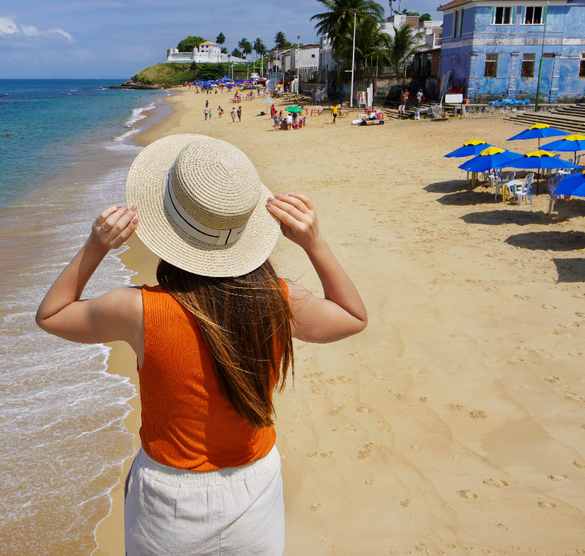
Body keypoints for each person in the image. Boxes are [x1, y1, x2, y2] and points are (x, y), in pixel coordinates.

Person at [36, 135, 367, 556]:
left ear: (166, 226)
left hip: (169, 499)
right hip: (255, 488)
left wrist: (95, 247)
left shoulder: (137, 309)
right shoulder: (278, 299)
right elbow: (353, 316)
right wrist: (314, 243)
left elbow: (50, 314)